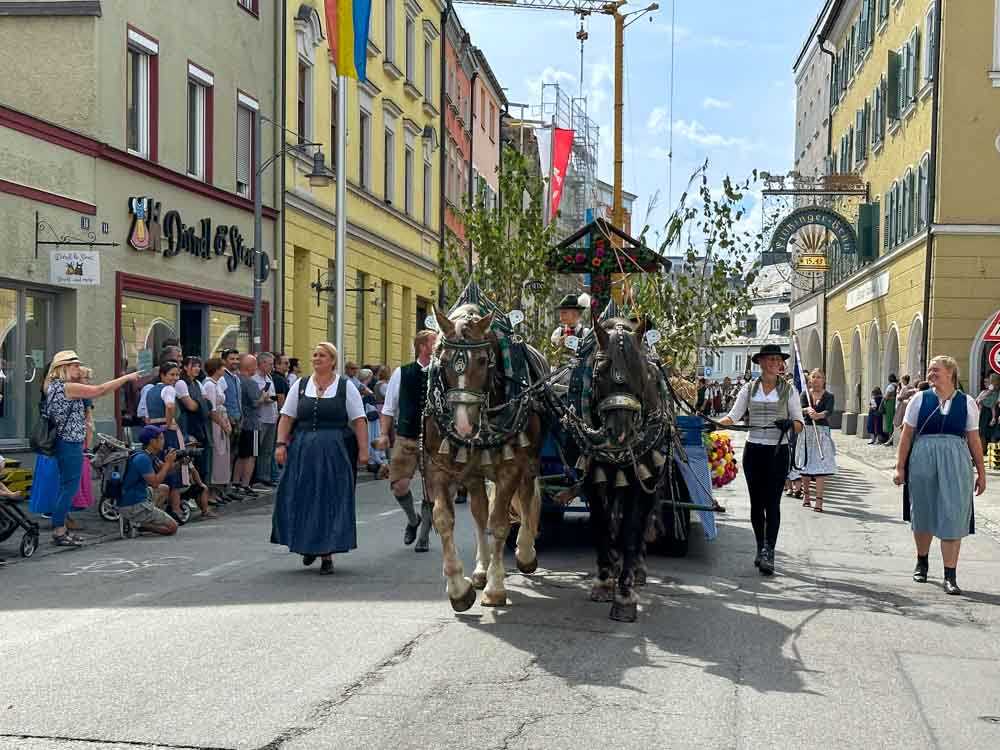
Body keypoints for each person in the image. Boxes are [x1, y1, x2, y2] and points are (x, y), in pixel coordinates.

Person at [271, 342, 368, 575]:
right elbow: (286, 417)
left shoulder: (345, 387)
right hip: (303, 449)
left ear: (332, 361)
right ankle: (308, 544)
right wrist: (280, 444)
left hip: (334, 449)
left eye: (322, 355)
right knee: (302, 496)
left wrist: (364, 451)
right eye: (314, 355)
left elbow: (359, 420)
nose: (316, 359)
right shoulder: (301, 385)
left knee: (329, 498)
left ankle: (326, 553)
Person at [894, 355, 985, 595]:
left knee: (954, 514)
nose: (931, 375)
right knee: (922, 511)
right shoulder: (918, 399)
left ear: (950, 373)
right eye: (930, 371)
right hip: (923, 458)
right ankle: (922, 561)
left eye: (936, 370)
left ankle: (950, 575)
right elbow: (906, 435)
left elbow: (974, 439)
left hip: (956, 461)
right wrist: (899, 467)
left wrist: (981, 472)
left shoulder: (967, 403)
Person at [718, 344, 804, 575]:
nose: (777, 364)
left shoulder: (789, 390)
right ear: (762, 362)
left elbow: (799, 424)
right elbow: (733, 416)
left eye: (779, 360)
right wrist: (711, 425)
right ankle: (759, 548)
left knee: (772, 503)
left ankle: (770, 551)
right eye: (773, 360)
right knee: (756, 503)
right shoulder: (749, 388)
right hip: (754, 449)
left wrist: (789, 424)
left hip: (778, 452)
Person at [42, 351, 139, 545]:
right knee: (68, 487)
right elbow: (100, 390)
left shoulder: (55, 386)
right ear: (64, 367)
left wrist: (80, 373)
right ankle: (59, 531)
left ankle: (60, 528)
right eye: (75, 365)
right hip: (69, 442)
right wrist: (126, 377)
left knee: (67, 486)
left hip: (66, 441)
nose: (79, 368)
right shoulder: (66, 387)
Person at [375, 330, 437, 551]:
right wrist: (383, 433)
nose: (438, 344)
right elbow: (389, 408)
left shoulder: (442, 372)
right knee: (399, 486)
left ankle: (424, 536)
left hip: (435, 441)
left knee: (432, 489)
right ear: (422, 346)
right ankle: (413, 519)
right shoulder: (402, 372)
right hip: (406, 436)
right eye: (434, 341)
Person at [143, 360, 189, 524]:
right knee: (172, 467)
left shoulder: (149, 391)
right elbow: (170, 406)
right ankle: (175, 509)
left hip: (153, 429)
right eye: (171, 375)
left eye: (177, 375)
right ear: (162, 375)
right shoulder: (168, 389)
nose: (175, 378)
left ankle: (159, 507)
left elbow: (146, 415)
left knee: (158, 466)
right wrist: (169, 423)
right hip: (167, 431)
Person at [117, 426, 180, 536]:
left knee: (164, 489)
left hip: (137, 496)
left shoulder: (149, 454)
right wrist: (168, 463)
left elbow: (165, 470)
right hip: (133, 505)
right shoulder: (143, 458)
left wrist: (179, 462)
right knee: (172, 528)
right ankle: (138, 524)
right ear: (152, 441)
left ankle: (146, 518)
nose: (163, 441)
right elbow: (155, 483)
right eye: (161, 438)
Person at [797, 369, 837, 512]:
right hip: (806, 431)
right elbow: (798, 409)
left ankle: (819, 500)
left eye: (819, 377)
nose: (816, 379)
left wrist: (819, 415)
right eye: (813, 377)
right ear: (809, 380)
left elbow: (829, 411)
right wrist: (807, 410)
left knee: (820, 467)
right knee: (806, 465)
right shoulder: (804, 394)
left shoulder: (829, 396)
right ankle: (806, 495)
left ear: (823, 380)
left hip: (821, 432)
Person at [234, 354, 268, 494]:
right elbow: (256, 402)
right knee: (251, 456)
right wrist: (263, 397)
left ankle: (235, 482)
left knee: (241, 455)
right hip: (252, 423)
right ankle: (245, 484)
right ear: (250, 367)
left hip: (241, 423)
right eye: (255, 365)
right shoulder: (250, 382)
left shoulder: (237, 380)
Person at [201, 358, 234, 504]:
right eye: (222, 367)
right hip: (216, 423)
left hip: (221, 419)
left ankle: (217, 489)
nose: (224, 369)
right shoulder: (209, 385)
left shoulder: (216, 383)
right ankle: (211, 491)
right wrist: (223, 425)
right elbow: (212, 410)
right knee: (217, 455)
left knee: (222, 456)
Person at [252, 352, 279, 487]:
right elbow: (256, 399)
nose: (272, 367)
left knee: (268, 450)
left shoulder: (269, 377)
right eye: (270, 364)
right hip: (260, 418)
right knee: (257, 448)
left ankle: (265, 476)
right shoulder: (254, 378)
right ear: (262, 363)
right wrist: (264, 399)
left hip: (271, 417)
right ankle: (256, 478)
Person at [975, 373, 1000, 449]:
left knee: (992, 435)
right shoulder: (985, 391)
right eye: (985, 382)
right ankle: (984, 452)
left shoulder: (995, 391)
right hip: (985, 414)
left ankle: (991, 453)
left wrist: (982, 399)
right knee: (983, 434)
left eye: (987, 382)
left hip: (991, 413)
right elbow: (977, 401)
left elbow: (995, 403)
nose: (985, 383)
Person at [882, 374, 899, 446]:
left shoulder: (891, 386)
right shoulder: (897, 385)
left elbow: (887, 396)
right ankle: (892, 438)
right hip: (894, 403)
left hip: (890, 403)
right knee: (893, 420)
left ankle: (889, 438)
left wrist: (884, 399)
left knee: (889, 420)